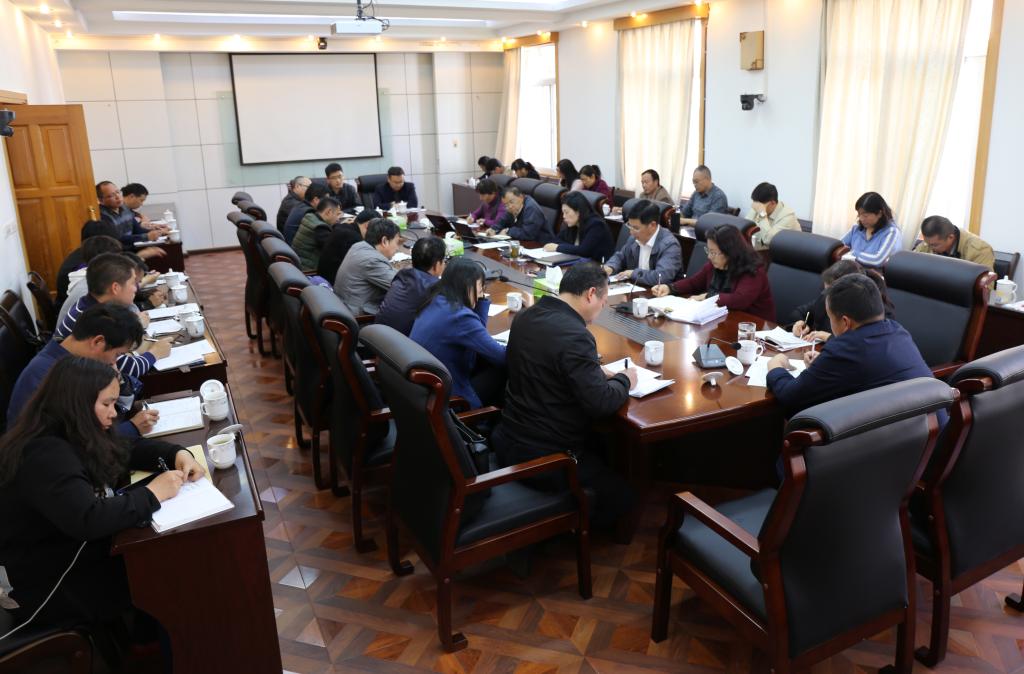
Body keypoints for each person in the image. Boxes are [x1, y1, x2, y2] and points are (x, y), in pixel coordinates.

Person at [0, 357, 203, 649]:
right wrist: (153, 493)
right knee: (164, 573)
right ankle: (160, 649)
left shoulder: (69, 426)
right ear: (78, 403)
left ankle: (154, 640)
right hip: (51, 580)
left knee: (166, 561)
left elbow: (124, 448)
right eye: (107, 404)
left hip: (73, 551)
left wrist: (176, 454)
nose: (114, 413)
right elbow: (89, 519)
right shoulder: (44, 453)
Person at [490, 262, 638, 528]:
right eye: (603, 301)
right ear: (591, 294)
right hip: (546, 458)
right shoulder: (575, 335)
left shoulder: (526, 316)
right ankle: (569, 530)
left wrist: (592, 372)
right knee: (625, 497)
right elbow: (601, 402)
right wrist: (625, 379)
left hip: (507, 437)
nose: (603, 307)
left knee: (602, 448)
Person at [766, 274, 937, 419]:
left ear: (845, 322)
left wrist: (776, 366)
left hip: (895, 442)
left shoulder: (844, 351)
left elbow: (791, 398)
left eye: (830, 318)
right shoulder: (898, 331)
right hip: (932, 431)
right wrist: (823, 367)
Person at [7, 304, 158, 437]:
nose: (114, 362)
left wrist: (119, 380)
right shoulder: (56, 376)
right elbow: (78, 442)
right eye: (117, 354)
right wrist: (132, 428)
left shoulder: (66, 355)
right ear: (98, 342)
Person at [410, 258, 509, 409]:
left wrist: (481, 299)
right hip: (450, 399)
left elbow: (477, 334)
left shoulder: (435, 299)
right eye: (480, 287)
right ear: (466, 286)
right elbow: (502, 357)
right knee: (505, 369)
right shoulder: (460, 317)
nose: (482, 291)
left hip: (425, 392)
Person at [54, 254, 172, 379]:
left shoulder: (87, 303)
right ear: (115, 288)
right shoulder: (97, 319)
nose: (136, 289)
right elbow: (130, 369)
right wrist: (156, 352)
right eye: (133, 283)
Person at [652, 224, 776, 322]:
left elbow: (740, 300)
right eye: (709, 251)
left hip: (753, 327)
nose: (709, 257)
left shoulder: (753, 270)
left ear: (730, 252)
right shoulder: (715, 264)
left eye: (714, 252)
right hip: (722, 320)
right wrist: (670, 288)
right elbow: (693, 283)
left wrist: (707, 297)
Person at [791, 259, 895, 342]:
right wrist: (800, 324)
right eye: (826, 290)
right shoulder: (826, 297)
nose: (827, 297)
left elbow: (864, 346)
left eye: (831, 292)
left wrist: (828, 337)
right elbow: (800, 312)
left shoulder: (876, 313)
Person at [376, 237, 447, 335]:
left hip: (377, 336)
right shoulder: (436, 290)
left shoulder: (402, 275)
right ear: (437, 264)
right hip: (403, 342)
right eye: (444, 261)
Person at [603, 200, 683, 286]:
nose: (631, 232)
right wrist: (610, 267)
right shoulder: (634, 238)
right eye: (629, 225)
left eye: (636, 228)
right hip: (637, 287)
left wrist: (632, 273)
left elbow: (661, 277)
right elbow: (621, 257)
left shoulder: (670, 245)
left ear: (652, 225)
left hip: (660, 292)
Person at [333, 218, 401, 315]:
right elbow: (403, 286)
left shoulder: (359, 246)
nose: (398, 248)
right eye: (397, 242)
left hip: (342, 304)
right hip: (358, 316)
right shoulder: (372, 261)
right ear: (385, 241)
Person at [544, 191, 614, 262]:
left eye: (566, 212)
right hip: (579, 263)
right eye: (563, 213)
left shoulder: (596, 225)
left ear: (578, 211)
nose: (564, 216)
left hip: (598, 265)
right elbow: (555, 240)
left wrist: (558, 247)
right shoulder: (574, 225)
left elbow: (584, 251)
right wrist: (572, 248)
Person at [56, 234, 123, 307]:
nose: (120, 263)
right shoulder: (89, 288)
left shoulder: (90, 274)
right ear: (103, 262)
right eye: (116, 260)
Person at [840, 192, 902, 267]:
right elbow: (838, 245)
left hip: (872, 273)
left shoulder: (891, 232)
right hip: (851, 270)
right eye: (859, 214)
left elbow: (877, 260)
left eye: (865, 215)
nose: (861, 219)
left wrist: (852, 253)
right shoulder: (856, 228)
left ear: (879, 214)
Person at [913, 215, 995, 270]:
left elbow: (984, 287)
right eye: (927, 243)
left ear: (950, 237)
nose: (930, 248)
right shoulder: (929, 243)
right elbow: (913, 267)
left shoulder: (980, 251)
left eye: (935, 245)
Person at [97, 181, 163, 247]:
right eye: (111, 195)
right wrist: (147, 237)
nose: (117, 197)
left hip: (133, 246)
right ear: (101, 200)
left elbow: (138, 230)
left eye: (117, 192)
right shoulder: (102, 216)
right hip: (120, 250)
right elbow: (118, 240)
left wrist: (159, 232)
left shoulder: (125, 209)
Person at [318, 209, 375, 283]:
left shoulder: (344, 227)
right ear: (368, 224)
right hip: (332, 282)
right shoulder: (355, 239)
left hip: (324, 277)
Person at [487, 187, 555, 243]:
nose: (509, 206)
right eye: (506, 204)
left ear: (521, 197)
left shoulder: (531, 208)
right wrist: (493, 229)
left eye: (511, 202)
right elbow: (503, 220)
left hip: (541, 245)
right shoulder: (512, 207)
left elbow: (528, 234)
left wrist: (508, 231)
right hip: (524, 243)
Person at [292, 196, 342, 270]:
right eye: (337, 214)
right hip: (309, 269)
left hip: (300, 262)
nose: (338, 218)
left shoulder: (310, 216)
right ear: (329, 212)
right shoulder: (320, 228)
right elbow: (335, 250)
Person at [747, 182, 800, 251]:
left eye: (759, 206)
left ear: (772, 203)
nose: (756, 207)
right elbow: (745, 227)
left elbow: (768, 240)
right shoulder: (759, 206)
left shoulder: (788, 217)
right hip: (762, 251)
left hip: (784, 253)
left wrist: (762, 214)